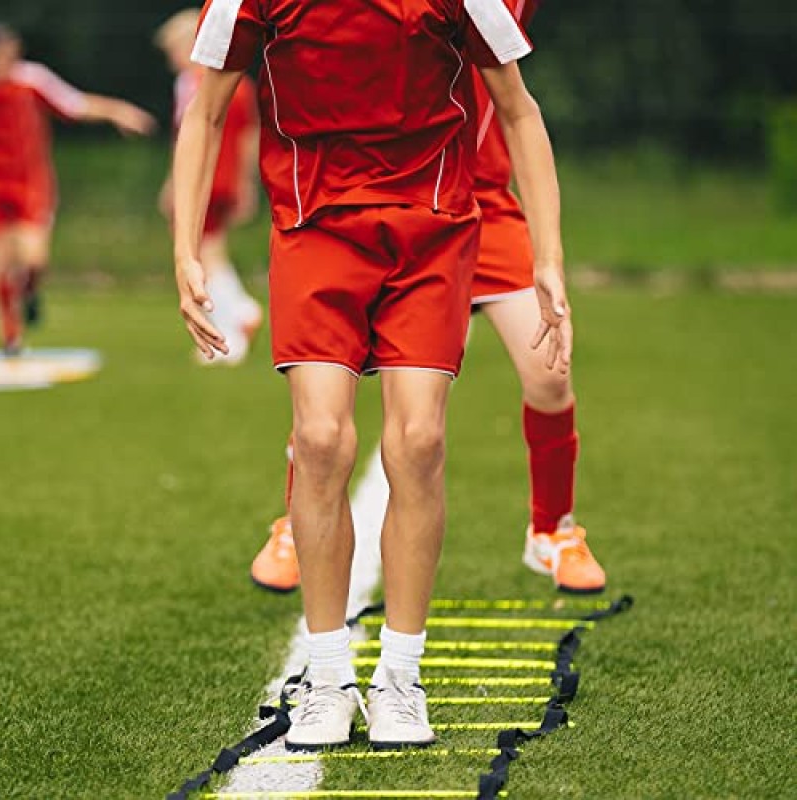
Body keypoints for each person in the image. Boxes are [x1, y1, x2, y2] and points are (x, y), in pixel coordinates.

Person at [175, 0, 571, 751]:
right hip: (313, 227)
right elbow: (205, 113)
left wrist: (547, 256)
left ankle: (399, 678)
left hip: (431, 229)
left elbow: (518, 112)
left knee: (417, 441)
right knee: (320, 440)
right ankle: (328, 681)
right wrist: (186, 250)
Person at [251, 0, 606, 596]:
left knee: (550, 374)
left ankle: (553, 530)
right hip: (401, 201)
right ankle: (295, 521)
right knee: (330, 396)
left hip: (483, 204)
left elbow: (520, 112)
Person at [0, 23, 155, 354]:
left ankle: (30, 292)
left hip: (30, 186)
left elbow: (75, 104)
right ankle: (13, 337)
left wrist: (117, 111)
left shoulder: (31, 80)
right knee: (0, 267)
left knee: (32, 259)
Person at [156, 10, 262, 365]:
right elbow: (250, 135)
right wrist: (247, 182)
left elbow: (187, 136)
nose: (171, 57)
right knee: (214, 250)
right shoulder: (241, 83)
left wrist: (174, 184)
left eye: (173, 48)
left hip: (203, 178)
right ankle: (239, 311)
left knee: (198, 254)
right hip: (228, 177)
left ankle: (232, 325)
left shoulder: (192, 84)